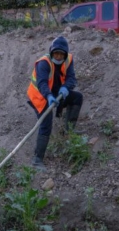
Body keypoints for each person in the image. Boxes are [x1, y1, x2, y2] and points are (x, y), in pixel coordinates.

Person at [26, 36, 83, 170]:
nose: (58, 56)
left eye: (61, 54)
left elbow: (71, 78)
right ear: (51, 52)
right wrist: (49, 96)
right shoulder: (43, 63)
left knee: (77, 98)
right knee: (46, 124)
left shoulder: (68, 60)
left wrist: (66, 88)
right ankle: (37, 159)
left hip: (56, 92)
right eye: (56, 53)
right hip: (39, 96)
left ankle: (68, 132)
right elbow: (42, 83)